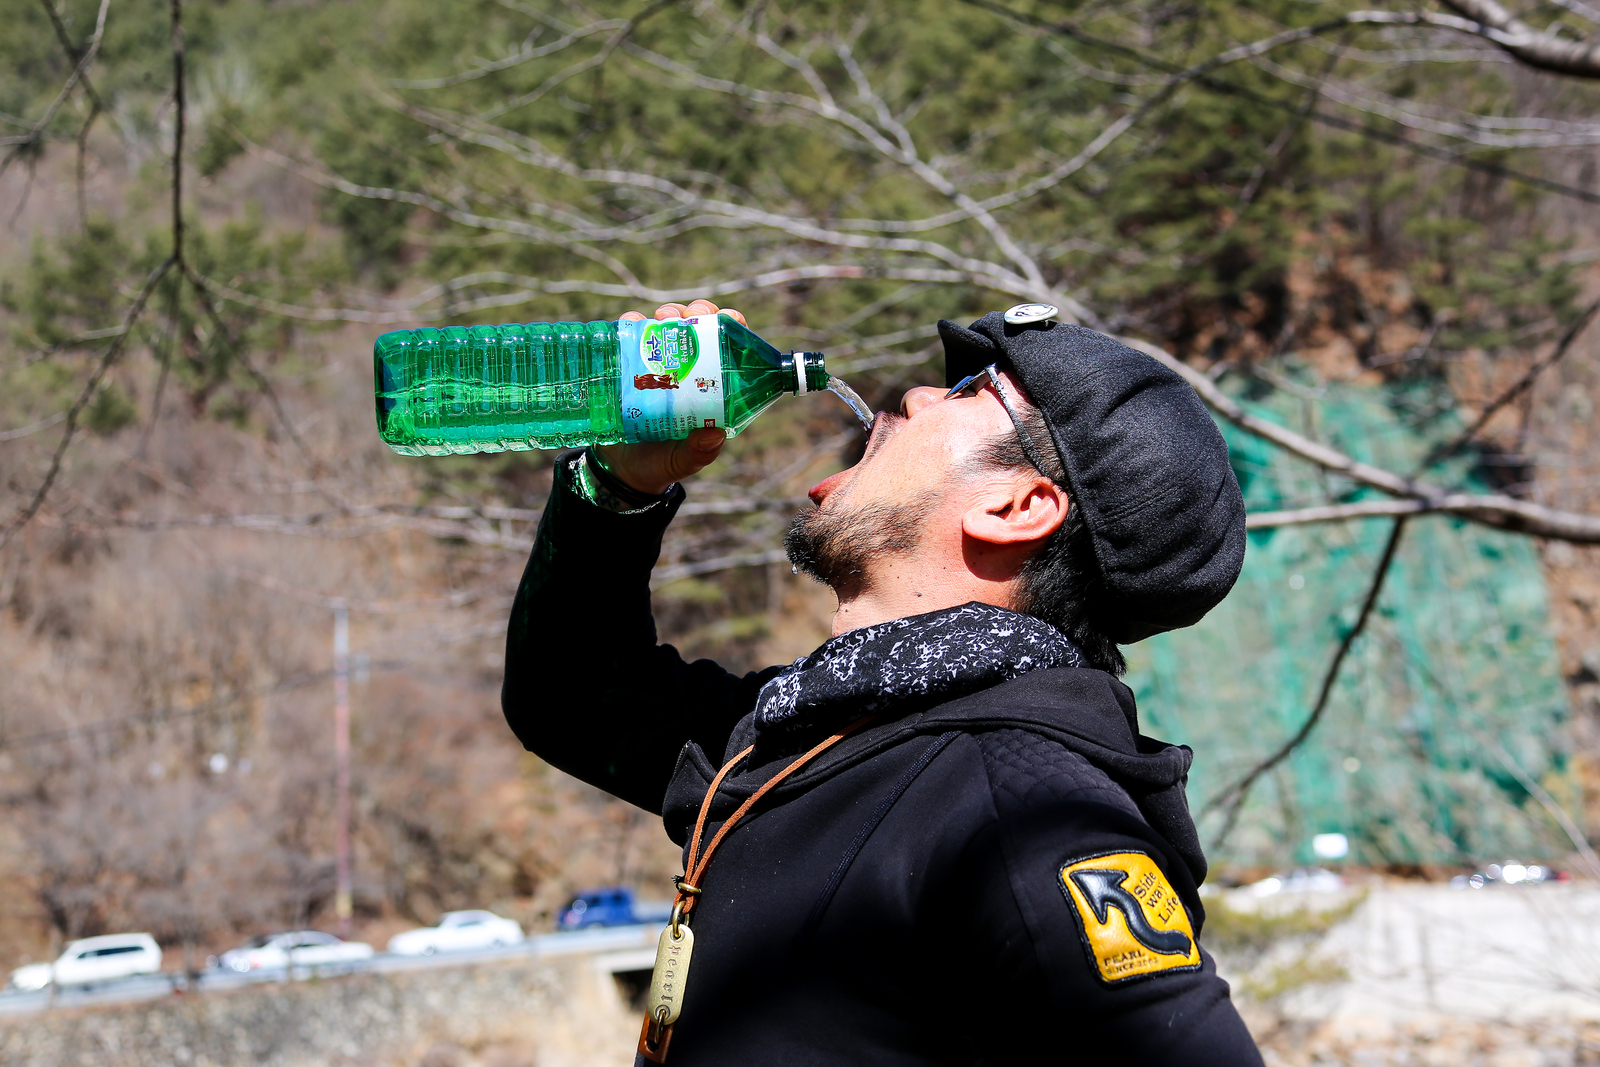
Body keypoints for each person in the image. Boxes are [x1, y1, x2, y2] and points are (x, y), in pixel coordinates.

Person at [503, 297, 1262, 1065]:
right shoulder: (809, 733)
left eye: (969, 390)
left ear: (1016, 507)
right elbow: (568, 697)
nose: (915, 396)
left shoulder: (1033, 815)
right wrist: (618, 485)